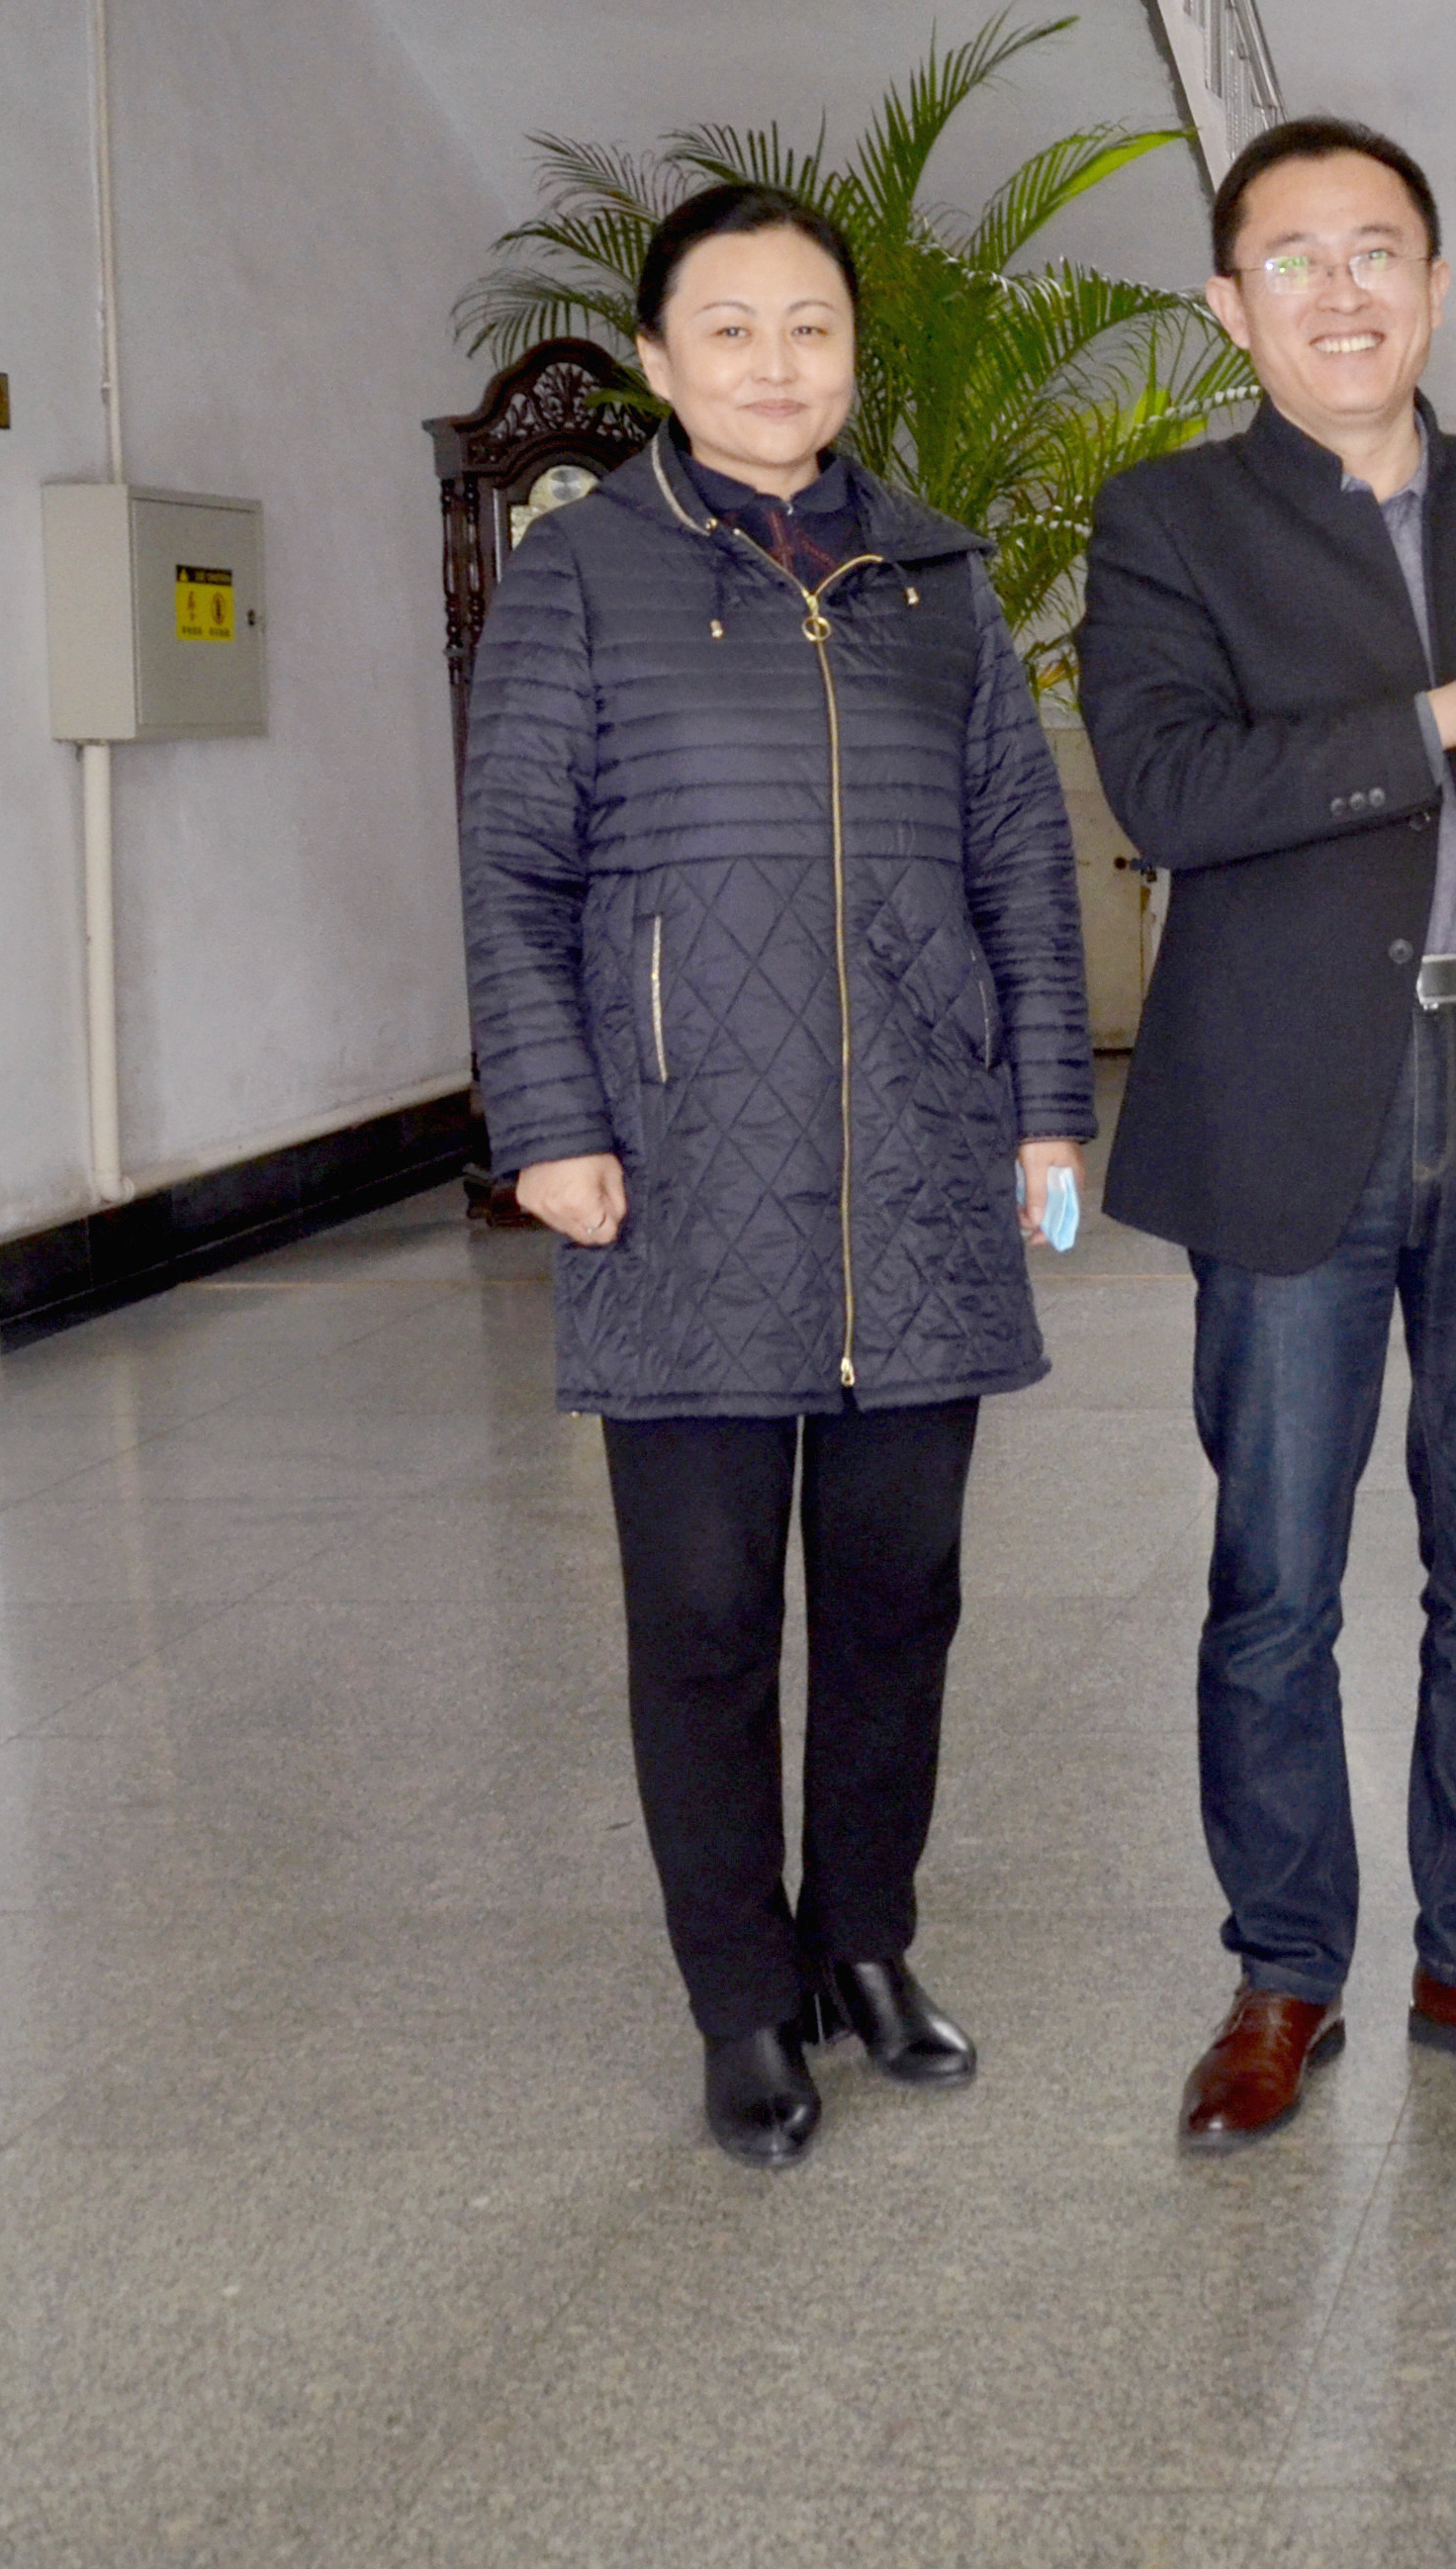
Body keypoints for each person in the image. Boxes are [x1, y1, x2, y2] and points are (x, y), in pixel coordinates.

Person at [461, 181, 1097, 2168]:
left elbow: (1019, 857)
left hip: (917, 1161)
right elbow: (514, 868)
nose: (773, 362)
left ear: (851, 355)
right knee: (708, 1615)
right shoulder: (583, 576)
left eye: (809, 325)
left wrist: (1045, 1104)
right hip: (678, 1163)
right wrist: (548, 1121)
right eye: (728, 327)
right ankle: (741, 1997)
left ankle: (865, 1946)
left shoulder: (936, 574)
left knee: (902, 1598)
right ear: (659, 361)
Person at [1076, 114, 1456, 2147]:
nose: (1343, 290)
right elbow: (1169, 788)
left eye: (1378, 250)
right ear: (1230, 306)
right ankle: (1283, 1974)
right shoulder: (1168, 521)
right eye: (1295, 259)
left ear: (1437, 283)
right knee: (1275, 1577)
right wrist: (1434, 720)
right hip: (1283, 1106)